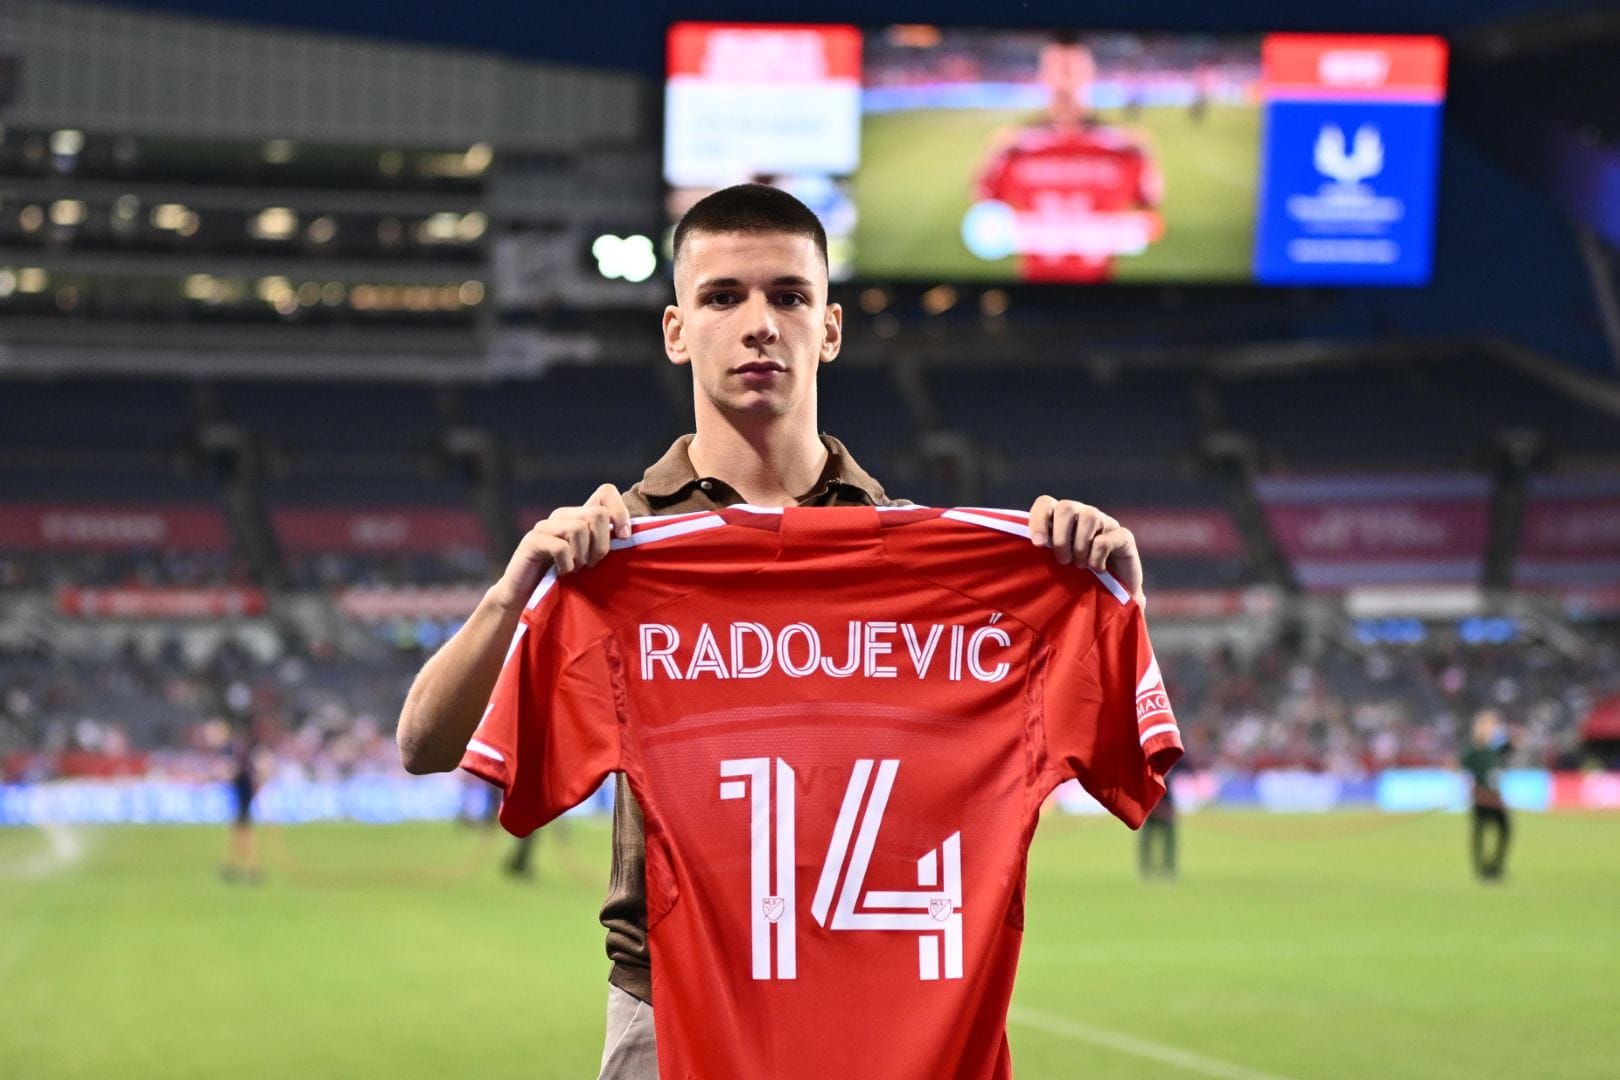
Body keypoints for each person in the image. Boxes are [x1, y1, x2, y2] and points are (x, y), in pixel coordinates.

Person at [396, 183, 1151, 1079]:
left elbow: (1113, 749)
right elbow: (422, 745)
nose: (759, 324)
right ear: (677, 330)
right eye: (723, 297)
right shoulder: (616, 557)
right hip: (674, 1011)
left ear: (829, 328)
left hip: (888, 1008)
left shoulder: (929, 565)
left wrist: (1098, 594)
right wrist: (512, 593)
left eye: (788, 296)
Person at [972, 38, 1164, 283]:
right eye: (1056, 70)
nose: (1064, 82)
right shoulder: (1015, 146)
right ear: (1042, 77)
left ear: (1090, 75)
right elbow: (983, 204)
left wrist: (1147, 153)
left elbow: (1150, 211)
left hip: (1100, 291)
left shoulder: (1122, 146)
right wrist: (993, 151)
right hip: (1032, 292)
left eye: (1071, 71)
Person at [1460, 708, 1513, 882]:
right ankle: (1481, 869)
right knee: (1480, 832)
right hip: (1481, 796)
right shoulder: (1474, 749)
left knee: (1504, 830)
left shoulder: (1495, 748)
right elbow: (1462, 767)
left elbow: (1510, 747)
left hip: (1495, 797)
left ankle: (1495, 867)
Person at [220, 724, 263, 883]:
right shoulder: (247, 761)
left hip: (243, 801)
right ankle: (233, 865)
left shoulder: (244, 763)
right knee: (239, 834)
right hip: (242, 801)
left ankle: (252, 868)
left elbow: (239, 777)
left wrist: (230, 776)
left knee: (243, 835)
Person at [1138, 762, 1177, 881]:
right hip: (1152, 808)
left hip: (1164, 807)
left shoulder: (1166, 774)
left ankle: (1168, 868)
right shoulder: (1148, 772)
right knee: (1147, 840)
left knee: (1168, 841)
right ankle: (1147, 869)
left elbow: (1168, 792)